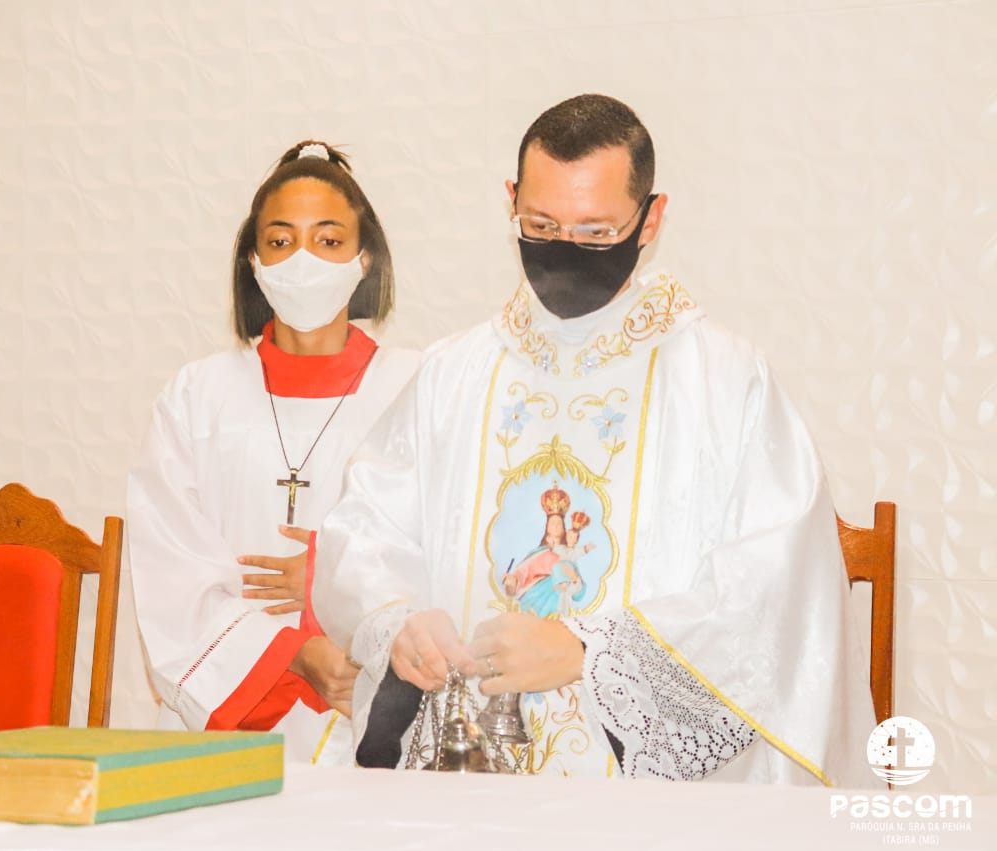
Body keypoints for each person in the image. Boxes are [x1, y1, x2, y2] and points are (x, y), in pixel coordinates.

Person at [313, 95, 874, 783]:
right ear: (511, 201)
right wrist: (398, 620)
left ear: (651, 220)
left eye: (596, 232)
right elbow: (365, 531)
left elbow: (775, 595)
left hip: (648, 808)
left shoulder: (725, 383)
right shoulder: (452, 374)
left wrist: (590, 652)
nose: (565, 251)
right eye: (541, 225)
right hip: (466, 780)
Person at [127, 141, 419, 763]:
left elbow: (454, 549)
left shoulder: (417, 388)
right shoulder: (197, 396)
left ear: (365, 259)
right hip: (228, 728)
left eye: (329, 240)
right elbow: (168, 569)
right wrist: (294, 653)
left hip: (366, 705)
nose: (303, 260)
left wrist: (330, 582)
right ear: (254, 262)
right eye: (281, 241)